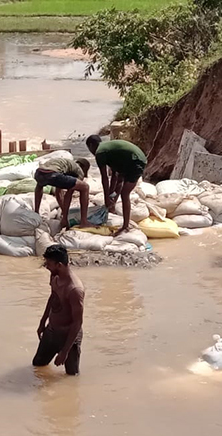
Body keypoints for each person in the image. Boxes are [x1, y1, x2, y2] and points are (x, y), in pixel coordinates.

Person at [33, 245, 85, 375]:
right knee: (38, 365)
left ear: (60, 265)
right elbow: (53, 297)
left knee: (71, 376)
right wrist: (42, 322)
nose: (46, 266)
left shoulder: (74, 289)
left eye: (49, 263)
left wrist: (65, 351)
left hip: (69, 337)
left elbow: (77, 323)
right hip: (51, 332)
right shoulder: (55, 276)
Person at [86, 135, 148, 235]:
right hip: (132, 159)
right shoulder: (109, 150)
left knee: (125, 194)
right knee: (120, 183)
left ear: (91, 145)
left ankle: (125, 226)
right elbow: (115, 177)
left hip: (136, 161)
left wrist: (106, 198)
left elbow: (105, 178)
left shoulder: (100, 153)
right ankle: (113, 208)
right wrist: (111, 198)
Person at [34, 156, 91, 230]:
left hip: (39, 172)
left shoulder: (65, 164)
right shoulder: (79, 170)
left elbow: (58, 193)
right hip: (53, 174)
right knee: (85, 187)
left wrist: (64, 211)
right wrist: (65, 218)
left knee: (39, 186)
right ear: (84, 167)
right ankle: (84, 222)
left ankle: (36, 212)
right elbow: (69, 194)